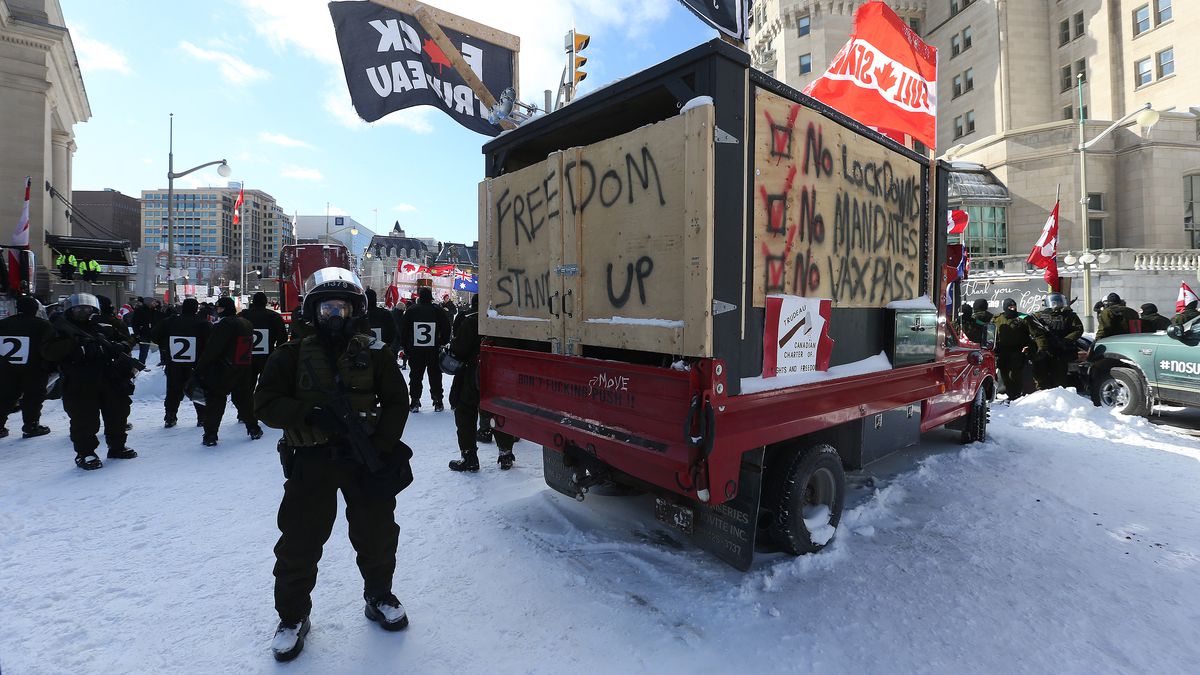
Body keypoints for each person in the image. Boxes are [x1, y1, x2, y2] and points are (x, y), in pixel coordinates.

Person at [255, 268, 412, 662]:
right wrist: (309, 414)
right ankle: (292, 617)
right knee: (299, 541)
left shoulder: (374, 354)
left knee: (377, 534)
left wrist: (380, 443)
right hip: (312, 460)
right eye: (327, 307)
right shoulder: (289, 356)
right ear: (313, 311)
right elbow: (265, 404)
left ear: (356, 311)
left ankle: (379, 596)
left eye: (342, 307)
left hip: (363, 460)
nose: (335, 315)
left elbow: (397, 401)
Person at [43, 293, 138, 470]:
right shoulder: (60, 329)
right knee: (84, 420)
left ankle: (116, 446)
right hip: (80, 381)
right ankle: (85, 453)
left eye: (87, 308)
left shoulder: (103, 325)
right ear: (70, 310)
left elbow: (126, 339)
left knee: (118, 414)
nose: (83, 311)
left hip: (110, 378)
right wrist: (73, 344)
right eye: (78, 308)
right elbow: (48, 352)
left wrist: (122, 346)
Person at [448, 296, 516, 471]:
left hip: (473, 375)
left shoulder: (472, 321)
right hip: (502, 377)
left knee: (465, 412)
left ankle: (469, 456)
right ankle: (505, 453)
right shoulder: (510, 321)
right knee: (500, 412)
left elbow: (458, 349)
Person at [195, 296, 259, 446]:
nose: (217, 311)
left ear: (225, 309)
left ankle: (210, 435)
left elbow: (213, 349)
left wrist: (201, 367)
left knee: (216, 401)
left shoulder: (224, 325)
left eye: (219, 308)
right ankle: (253, 428)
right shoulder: (247, 323)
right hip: (243, 367)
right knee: (244, 400)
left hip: (224, 369)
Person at [0, 295, 54, 438]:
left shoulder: (3, 323)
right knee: (33, 397)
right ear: (36, 309)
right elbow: (48, 348)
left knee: (5, 397)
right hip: (34, 369)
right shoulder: (42, 325)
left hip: (6, 368)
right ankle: (31, 425)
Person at [152, 298, 211, 428]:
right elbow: (211, 343)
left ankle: (170, 416)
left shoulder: (170, 321)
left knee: (173, 389)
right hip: (195, 364)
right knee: (197, 389)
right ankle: (202, 417)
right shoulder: (203, 323)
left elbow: (155, 335)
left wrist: (165, 345)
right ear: (196, 309)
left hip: (174, 361)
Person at [400, 286, 450, 413]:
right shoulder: (437, 310)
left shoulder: (411, 310)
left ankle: (415, 401)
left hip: (416, 350)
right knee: (435, 375)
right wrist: (442, 342)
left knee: (415, 375)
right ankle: (438, 401)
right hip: (433, 349)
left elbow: (404, 330)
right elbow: (446, 327)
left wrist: (406, 347)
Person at [1027, 292, 1084, 391]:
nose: (1056, 305)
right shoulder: (1038, 316)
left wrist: (1066, 340)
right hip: (1043, 351)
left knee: (1060, 380)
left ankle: (1059, 398)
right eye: (1054, 303)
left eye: (1058, 302)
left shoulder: (1069, 316)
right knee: (1041, 378)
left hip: (1060, 352)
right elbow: (1031, 331)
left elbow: (1078, 329)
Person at [239, 291, 288, 388]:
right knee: (266, 385)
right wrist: (277, 354)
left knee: (246, 387)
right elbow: (282, 337)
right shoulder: (274, 316)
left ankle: (248, 402)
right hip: (267, 356)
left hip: (245, 356)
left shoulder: (243, 315)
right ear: (265, 302)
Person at [991, 298, 1033, 401]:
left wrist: (1029, 347)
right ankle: (1003, 393)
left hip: (1018, 351)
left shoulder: (1023, 318)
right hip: (1002, 351)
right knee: (1003, 373)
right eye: (1010, 307)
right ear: (1005, 307)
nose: (1012, 309)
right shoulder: (997, 319)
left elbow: (1033, 334)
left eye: (1014, 307)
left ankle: (1015, 395)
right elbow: (991, 334)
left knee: (1015, 374)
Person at [363, 288, 399, 355]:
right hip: (382, 352)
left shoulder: (360, 315)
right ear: (375, 299)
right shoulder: (385, 314)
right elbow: (392, 332)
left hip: (365, 354)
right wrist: (386, 345)